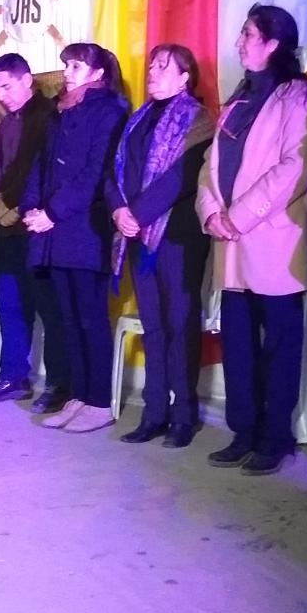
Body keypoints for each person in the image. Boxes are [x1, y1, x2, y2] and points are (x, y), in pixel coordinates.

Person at [196, 4, 307, 475]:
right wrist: (211, 211)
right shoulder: (241, 95)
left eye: (248, 34)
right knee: (239, 345)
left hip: (273, 242)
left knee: (279, 347)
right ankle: (244, 432)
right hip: (231, 243)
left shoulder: (299, 94)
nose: (239, 42)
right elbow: (210, 165)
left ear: (273, 43)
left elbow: (296, 166)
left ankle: (275, 437)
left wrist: (238, 215)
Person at [105, 44, 213, 448]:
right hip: (137, 236)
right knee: (153, 326)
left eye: (163, 66)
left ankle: (183, 415)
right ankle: (154, 414)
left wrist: (137, 213)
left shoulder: (197, 119)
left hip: (176, 236)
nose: (152, 71)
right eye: (151, 65)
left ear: (185, 77)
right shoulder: (138, 118)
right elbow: (114, 170)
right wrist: (118, 210)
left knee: (180, 325)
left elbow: (183, 176)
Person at [23, 42, 130, 433]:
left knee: (90, 318)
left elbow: (97, 173)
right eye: (66, 65)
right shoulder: (61, 110)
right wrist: (32, 207)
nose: (67, 73)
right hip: (54, 231)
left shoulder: (110, 110)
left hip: (86, 229)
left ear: (98, 73)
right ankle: (78, 397)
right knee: (68, 318)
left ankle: (99, 402)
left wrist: (52, 212)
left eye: (76, 67)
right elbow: (41, 163)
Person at [0, 53, 72, 411]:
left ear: (27, 80)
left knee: (50, 308)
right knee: (11, 306)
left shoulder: (48, 115)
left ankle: (60, 383)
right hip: (8, 230)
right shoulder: (7, 123)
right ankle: (13, 376)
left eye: (7, 87)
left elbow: (38, 169)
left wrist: (14, 203)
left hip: (36, 225)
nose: (2, 96)